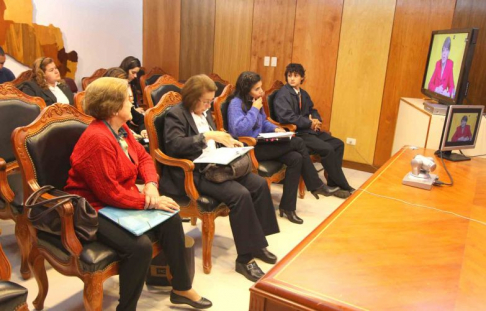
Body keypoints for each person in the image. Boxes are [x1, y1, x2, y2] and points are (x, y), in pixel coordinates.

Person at [64, 77, 212, 310]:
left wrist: (151, 184)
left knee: (171, 215)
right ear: (113, 108)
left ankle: (182, 288)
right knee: (139, 247)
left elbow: (143, 158)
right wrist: (148, 202)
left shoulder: (119, 128)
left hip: (118, 199)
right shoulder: (98, 139)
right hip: (93, 208)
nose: (132, 105)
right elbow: (108, 194)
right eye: (128, 100)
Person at [161, 74, 280, 282]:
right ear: (192, 98)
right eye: (205, 101)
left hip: (216, 166)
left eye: (210, 101)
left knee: (260, 184)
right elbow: (174, 145)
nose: (208, 106)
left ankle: (258, 244)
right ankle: (244, 259)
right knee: (241, 195)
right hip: (194, 172)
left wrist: (228, 143)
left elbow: (214, 138)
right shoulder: (176, 115)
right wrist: (208, 136)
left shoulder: (204, 112)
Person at [226, 71, 339, 224]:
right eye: (257, 89)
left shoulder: (255, 99)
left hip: (262, 143)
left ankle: (288, 208)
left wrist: (275, 129)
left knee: (296, 158)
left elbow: (264, 121)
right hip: (248, 148)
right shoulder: (236, 104)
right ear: (246, 89)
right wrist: (254, 109)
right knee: (298, 142)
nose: (261, 92)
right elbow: (239, 130)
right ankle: (316, 185)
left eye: (261, 88)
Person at [274, 63, 354, 198]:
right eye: (289, 76)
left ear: (302, 78)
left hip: (309, 130)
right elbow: (287, 116)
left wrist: (316, 120)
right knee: (327, 149)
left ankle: (333, 183)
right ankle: (343, 186)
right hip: (298, 133)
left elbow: (312, 110)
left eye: (295, 76)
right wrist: (309, 123)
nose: (292, 79)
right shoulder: (283, 94)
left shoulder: (303, 94)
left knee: (338, 144)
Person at [103, 67, 147, 139]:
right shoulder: (102, 133)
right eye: (124, 88)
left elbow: (141, 119)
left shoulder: (125, 105)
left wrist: (142, 130)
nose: (130, 95)